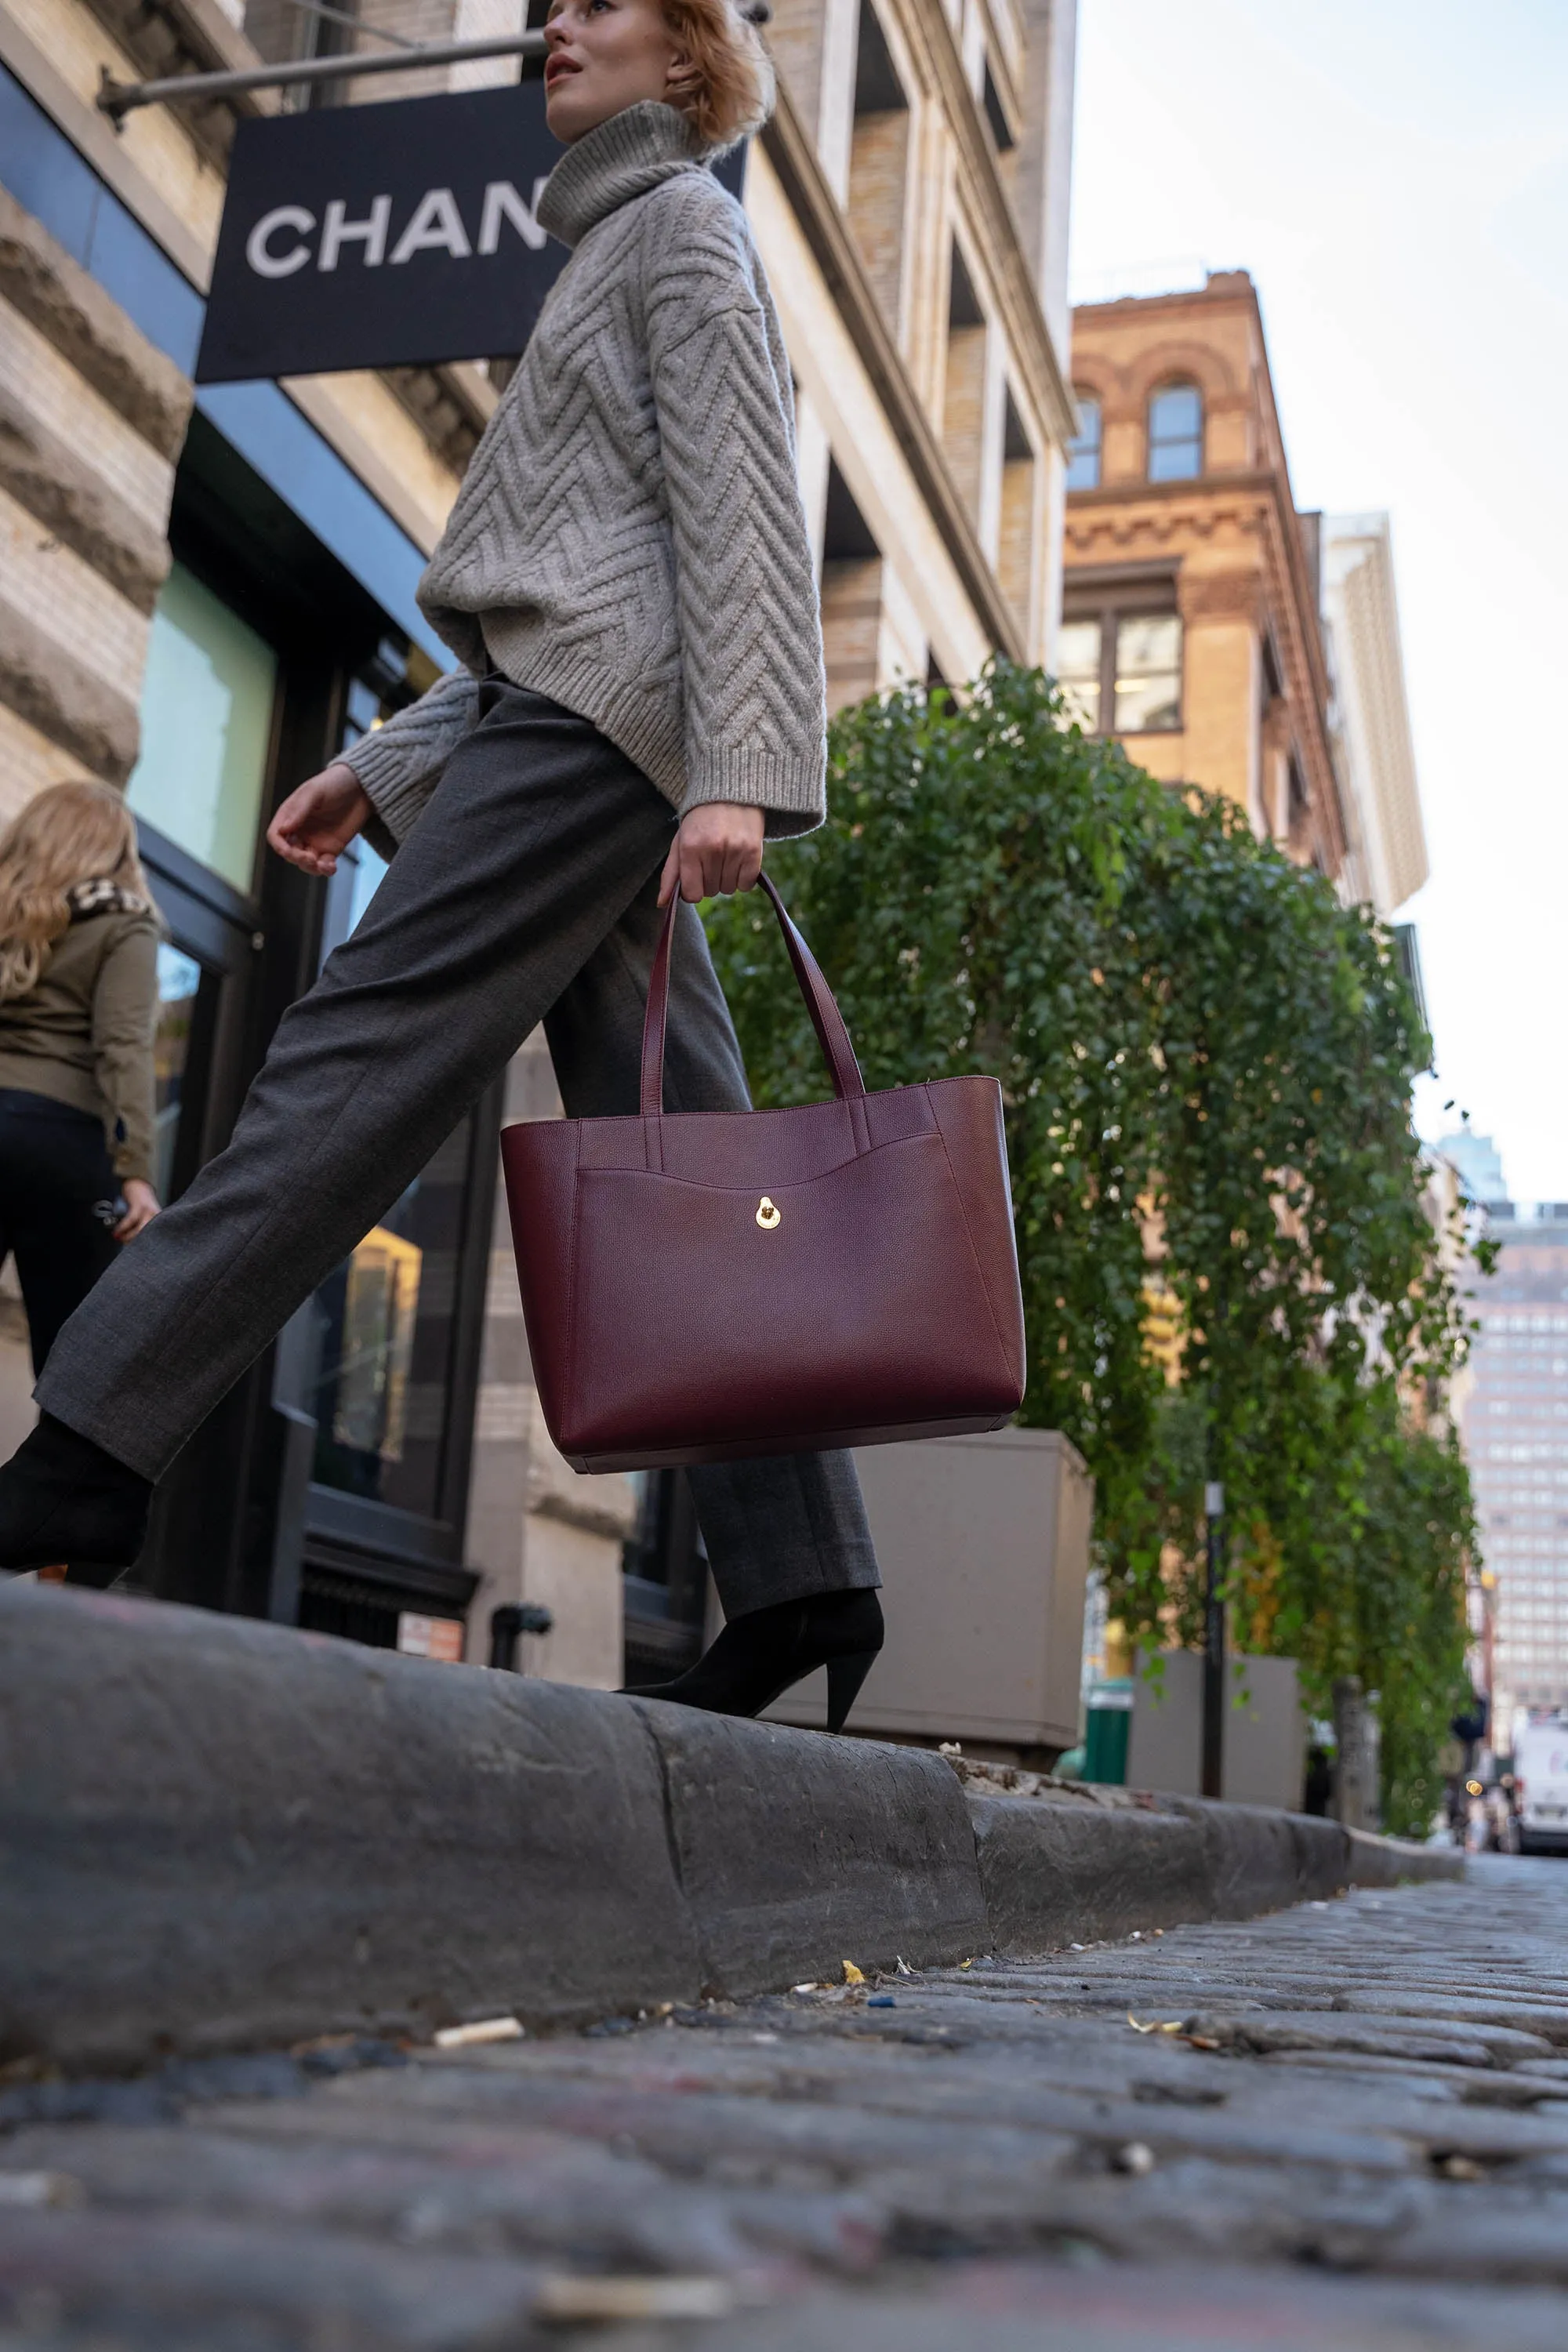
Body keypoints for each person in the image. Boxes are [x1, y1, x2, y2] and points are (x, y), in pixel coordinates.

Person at [0, 0, 884, 1722]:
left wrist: (749, 775)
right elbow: (589, 564)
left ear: (690, 63)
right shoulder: (623, 241)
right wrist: (382, 757)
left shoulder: (682, 232)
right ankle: (807, 1583)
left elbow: (744, 519)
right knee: (690, 1154)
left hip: (590, 739)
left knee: (351, 1055)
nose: (550, 24)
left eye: (599, 6)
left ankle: (94, 1439)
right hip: (579, 723)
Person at [0, 779, 161, 1379]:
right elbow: (123, 1047)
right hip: (63, 1143)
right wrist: (136, 1172)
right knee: (74, 1371)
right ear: (117, 853)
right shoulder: (125, 923)